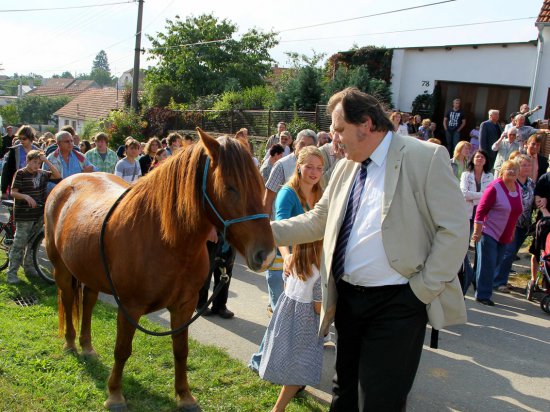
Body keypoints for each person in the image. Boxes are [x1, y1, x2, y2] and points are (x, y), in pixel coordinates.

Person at [270, 88, 468, 411]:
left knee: (379, 402)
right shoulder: (346, 167)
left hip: (399, 305)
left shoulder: (425, 158)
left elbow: (456, 230)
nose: (333, 138)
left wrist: (422, 290)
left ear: (365, 124)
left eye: (338, 129)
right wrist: (265, 231)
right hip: (348, 301)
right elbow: (319, 219)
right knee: (344, 395)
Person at [250, 146, 325, 374]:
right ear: (298, 167)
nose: (314, 172)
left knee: (287, 322)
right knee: (281, 319)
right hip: (284, 264)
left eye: (319, 168)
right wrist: (288, 254)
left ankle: (272, 362)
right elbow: (280, 226)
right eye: (309, 167)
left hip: (309, 267)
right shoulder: (287, 192)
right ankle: (261, 361)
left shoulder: (322, 193)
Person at [472, 160, 523, 306]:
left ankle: (474, 281)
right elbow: (480, 211)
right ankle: (483, 294)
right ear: (502, 172)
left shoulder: (517, 187)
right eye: (509, 169)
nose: (512, 172)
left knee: (496, 263)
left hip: (505, 233)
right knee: (488, 263)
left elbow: (515, 212)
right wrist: (477, 231)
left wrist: (512, 230)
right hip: (489, 231)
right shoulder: (494, 188)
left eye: (515, 169)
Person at [6, 150, 61, 284]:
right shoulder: (21, 173)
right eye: (34, 162)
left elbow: (58, 176)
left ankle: (29, 268)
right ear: (28, 161)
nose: (37, 165)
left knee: (33, 243)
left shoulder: (42, 174)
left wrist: (46, 161)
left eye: (39, 162)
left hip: (38, 214)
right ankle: (11, 273)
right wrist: (26, 196)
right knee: (19, 244)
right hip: (24, 214)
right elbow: (13, 192)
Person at [494, 155, 535, 293]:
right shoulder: (512, 182)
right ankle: (498, 281)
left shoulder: (530, 183)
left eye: (528, 165)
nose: (526, 168)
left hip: (524, 223)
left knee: (512, 253)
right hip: (510, 222)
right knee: (508, 251)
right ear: (517, 168)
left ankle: (501, 278)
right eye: (523, 165)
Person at [264, 130, 317, 214]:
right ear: (295, 144)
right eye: (302, 144)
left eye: (309, 146)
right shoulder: (281, 165)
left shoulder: (317, 167)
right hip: (283, 221)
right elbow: (269, 198)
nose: (305, 148)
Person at [197, 230, 236, 319]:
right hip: (212, 233)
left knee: (226, 271)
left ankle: (220, 306)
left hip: (230, 234)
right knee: (206, 271)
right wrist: (210, 228)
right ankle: (200, 304)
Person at [1, 125, 40, 199]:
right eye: (20, 138)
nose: (21, 141)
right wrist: (3, 191)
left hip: (33, 187)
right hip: (17, 187)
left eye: (24, 139)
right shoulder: (14, 151)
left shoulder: (38, 151)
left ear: (30, 138)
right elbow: (6, 171)